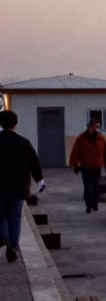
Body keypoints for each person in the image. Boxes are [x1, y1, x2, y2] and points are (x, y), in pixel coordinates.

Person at [0, 110, 44, 263]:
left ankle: (3, 236)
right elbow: (33, 162)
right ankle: (13, 245)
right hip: (19, 186)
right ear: (15, 124)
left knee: (1, 215)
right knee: (15, 216)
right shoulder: (23, 142)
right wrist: (40, 180)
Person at [69, 119, 106, 213]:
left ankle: (95, 204)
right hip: (86, 166)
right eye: (94, 127)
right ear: (89, 127)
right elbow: (75, 152)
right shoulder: (81, 138)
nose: (95, 128)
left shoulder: (100, 138)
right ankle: (88, 205)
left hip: (97, 166)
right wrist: (74, 165)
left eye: (96, 127)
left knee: (96, 186)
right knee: (88, 187)